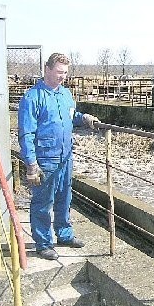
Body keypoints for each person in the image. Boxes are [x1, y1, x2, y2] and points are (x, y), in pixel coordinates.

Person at [18, 53, 100, 260]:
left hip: (65, 157)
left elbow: (71, 117)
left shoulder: (65, 95)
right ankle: (43, 243)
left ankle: (64, 234)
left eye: (65, 73)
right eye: (58, 72)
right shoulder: (32, 97)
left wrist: (84, 118)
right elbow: (26, 133)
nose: (62, 76)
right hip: (45, 159)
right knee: (43, 202)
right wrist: (31, 163)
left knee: (65, 198)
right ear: (47, 69)